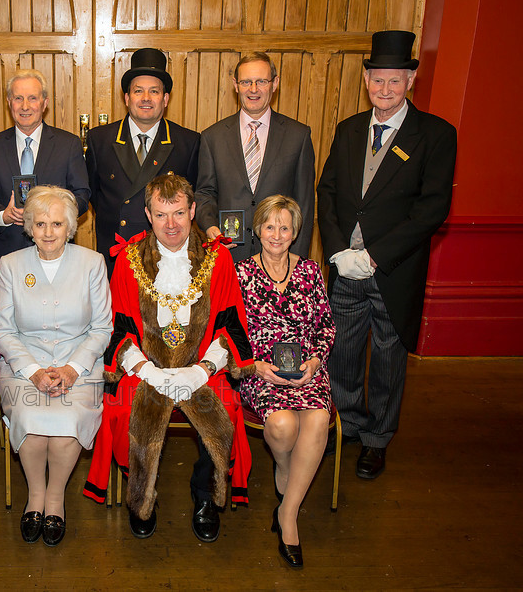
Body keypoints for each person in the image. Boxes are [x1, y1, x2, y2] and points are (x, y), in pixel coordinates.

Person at [84, 174, 254, 543]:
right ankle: (141, 496)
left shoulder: (218, 257)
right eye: (161, 215)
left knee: (225, 406)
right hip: (146, 367)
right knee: (126, 408)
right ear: (147, 214)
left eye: (179, 213)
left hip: (202, 366)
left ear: (193, 210)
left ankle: (205, 494)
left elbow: (230, 323)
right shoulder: (128, 260)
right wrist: (148, 371)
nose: (171, 224)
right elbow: (120, 328)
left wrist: (202, 369)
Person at [317, 30, 457, 479]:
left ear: (410, 81)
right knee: (342, 351)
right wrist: (340, 250)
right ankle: (349, 425)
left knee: (388, 357)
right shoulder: (349, 129)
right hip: (345, 268)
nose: (385, 89)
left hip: (393, 270)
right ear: (366, 79)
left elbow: (431, 209)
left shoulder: (435, 135)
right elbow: (329, 192)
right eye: (377, 80)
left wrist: (375, 256)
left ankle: (378, 438)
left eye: (394, 81)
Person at [0, 186, 112, 547]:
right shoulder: (11, 265)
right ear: (28, 225)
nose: (48, 232)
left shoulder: (92, 263)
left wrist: (73, 369)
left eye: (57, 224)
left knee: (65, 426)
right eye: (40, 223)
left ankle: (56, 500)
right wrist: (32, 371)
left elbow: (102, 328)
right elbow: (4, 330)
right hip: (23, 365)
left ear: (70, 226)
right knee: (30, 422)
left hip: (81, 363)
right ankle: (35, 496)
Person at [236, 195, 335, 568]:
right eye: (269, 226)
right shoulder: (241, 273)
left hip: (307, 368)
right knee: (281, 425)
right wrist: (256, 365)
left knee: (316, 418)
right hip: (262, 370)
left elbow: (326, 326)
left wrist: (313, 361)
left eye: (285, 227)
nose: (276, 234)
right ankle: (283, 467)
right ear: (257, 229)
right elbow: (228, 331)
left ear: (295, 233)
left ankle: (288, 516)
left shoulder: (310, 271)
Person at [86, 48, 200, 276]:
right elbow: (95, 196)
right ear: (127, 98)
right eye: (138, 91)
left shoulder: (188, 142)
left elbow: (193, 199)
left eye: (154, 91)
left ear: (165, 99)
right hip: (116, 256)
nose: (146, 98)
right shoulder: (100, 139)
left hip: (166, 256)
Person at [195, 52, 315, 262]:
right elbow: (205, 192)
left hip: (279, 258)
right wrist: (210, 225)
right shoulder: (212, 137)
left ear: (275, 83)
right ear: (235, 84)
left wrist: (298, 262)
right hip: (228, 255)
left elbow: (304, 202)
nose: (253, 89)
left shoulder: (298, 136)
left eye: (261, 81)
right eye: (246, 82)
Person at [0, 69, 90, 259]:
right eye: (18, 98)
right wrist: (3, 215)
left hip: (58, 251)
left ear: (45, 103)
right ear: (9, 102)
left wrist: (56, 215)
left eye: (32, 98)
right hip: (10, 252)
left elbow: (82, 195)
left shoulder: (68, 144)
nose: (25, 106)